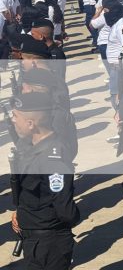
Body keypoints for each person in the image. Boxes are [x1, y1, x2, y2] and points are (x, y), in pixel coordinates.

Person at [10, 91, 80, 270]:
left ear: (31, 123)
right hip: (35, 241)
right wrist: (21, 212)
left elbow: (65, 210)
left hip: (49, 244)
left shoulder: (52, 158)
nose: (13, 120)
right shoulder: (29, 146)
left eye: (16, 116)